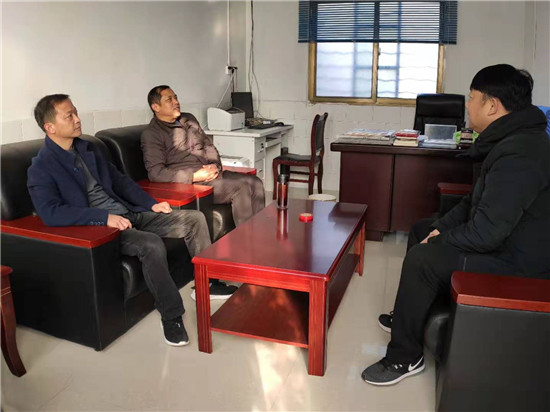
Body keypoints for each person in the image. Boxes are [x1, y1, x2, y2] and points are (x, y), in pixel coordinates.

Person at [362, 64, 550, 386]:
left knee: (423, 258)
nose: (468, 105)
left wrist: (438, 243)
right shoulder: (509, 141)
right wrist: (438, 230)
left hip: (520, 262)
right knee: (422, 228)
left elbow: (487, 232)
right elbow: (472, 202)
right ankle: (410, 314)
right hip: (506, 241)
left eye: (472, 98)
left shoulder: (521, 154)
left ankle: (405, 357)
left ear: (492, 106)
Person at [28, 94, 212, 347]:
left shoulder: (87, 149)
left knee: (194, 219)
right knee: (150, 244)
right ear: (50, 127)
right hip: (103, 229)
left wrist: (150, 204)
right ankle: (171, 316)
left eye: (76, 112)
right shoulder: (41, 167)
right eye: (69, 116)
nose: (77, 119)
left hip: (130, 213)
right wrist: (104, 217)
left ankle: (208, 285)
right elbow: (50, 213)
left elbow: (120, 181)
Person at [141, 85, 265, 299]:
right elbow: (156, 173)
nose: (176, 101)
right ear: (155, 107)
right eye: (169, 99)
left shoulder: (188, 119)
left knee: (255, 182)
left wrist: (215, 165)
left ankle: (261, 245)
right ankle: (247, 257)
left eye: (176, 97)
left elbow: (209, 146)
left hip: (212, 173)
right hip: (191, 183)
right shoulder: (151, 134)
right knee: (241, 188)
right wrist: (194, 176)